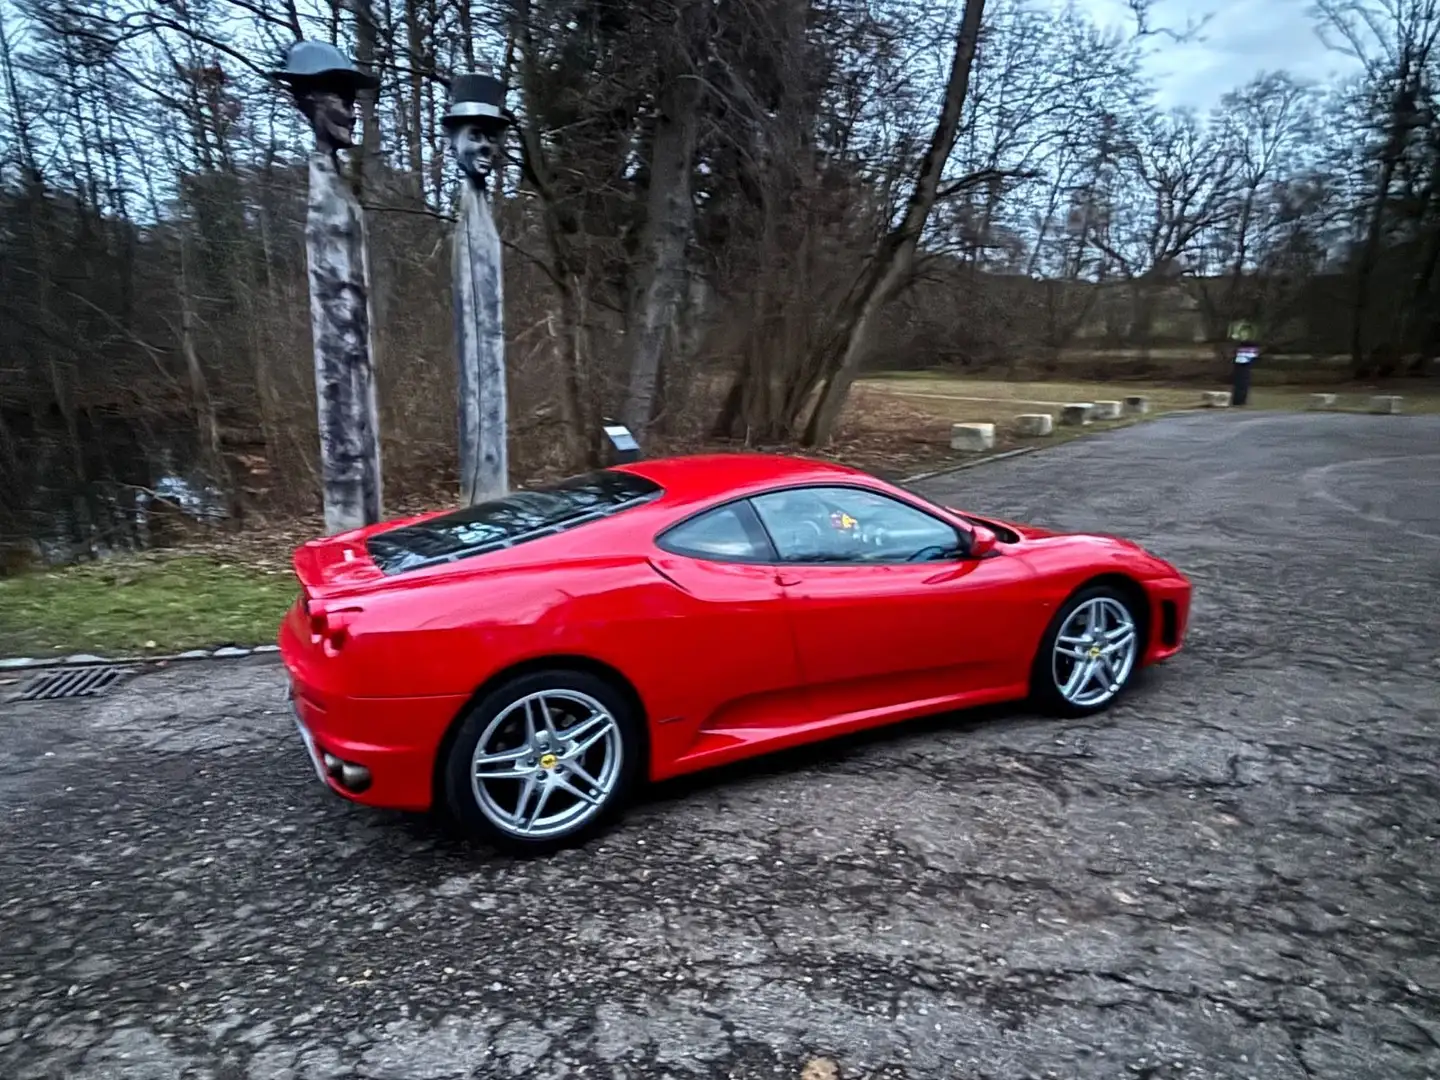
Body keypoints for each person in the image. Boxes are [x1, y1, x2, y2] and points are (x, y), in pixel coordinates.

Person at [1227, 319, 1260, 407]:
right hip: (1246, 351)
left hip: (1244, 351)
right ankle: (1239, 400)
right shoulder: (1251, 326)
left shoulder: (1242, 326)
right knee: (1242, 377)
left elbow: (1236, 338)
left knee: (1242, 377)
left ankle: (1239, 400)